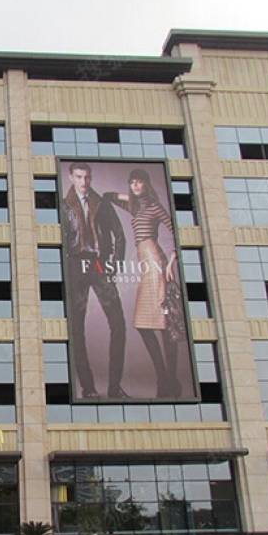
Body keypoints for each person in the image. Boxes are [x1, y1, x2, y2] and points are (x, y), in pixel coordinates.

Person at [105, 168, 182, 398]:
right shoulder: (135, 207)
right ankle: (165, 379)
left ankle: (168, 381)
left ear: (147, 184)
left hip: (156, 262)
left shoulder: (154, 206)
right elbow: (109, 196)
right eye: (133, 182)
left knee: (164, 324)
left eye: (140, 182)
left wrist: (172, 262)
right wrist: (130, 195)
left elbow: (178, 231)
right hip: (145, 265)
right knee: (144, 324)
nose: (136, 186)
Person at [62, 162, 128, 399]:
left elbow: (120, 236)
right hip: (75, 265)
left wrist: (114, 265)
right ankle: (88, 388)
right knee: (76, 327)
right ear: (71, 177)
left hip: (99, 264)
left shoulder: (102, 203)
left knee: (118, 324)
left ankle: (114, 388)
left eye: (87, 177)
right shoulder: (63, 206)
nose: (84, 182)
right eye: (79, 177)